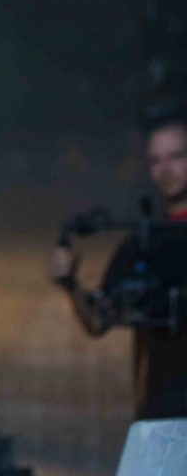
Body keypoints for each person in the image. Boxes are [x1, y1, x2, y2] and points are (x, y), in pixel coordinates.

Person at [49, 115, 187, 420]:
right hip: (163, 412)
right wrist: (70, 284)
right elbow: (97, 320)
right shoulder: (142, 244)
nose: (166, 169)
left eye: (177, 156)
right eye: (156, 161)